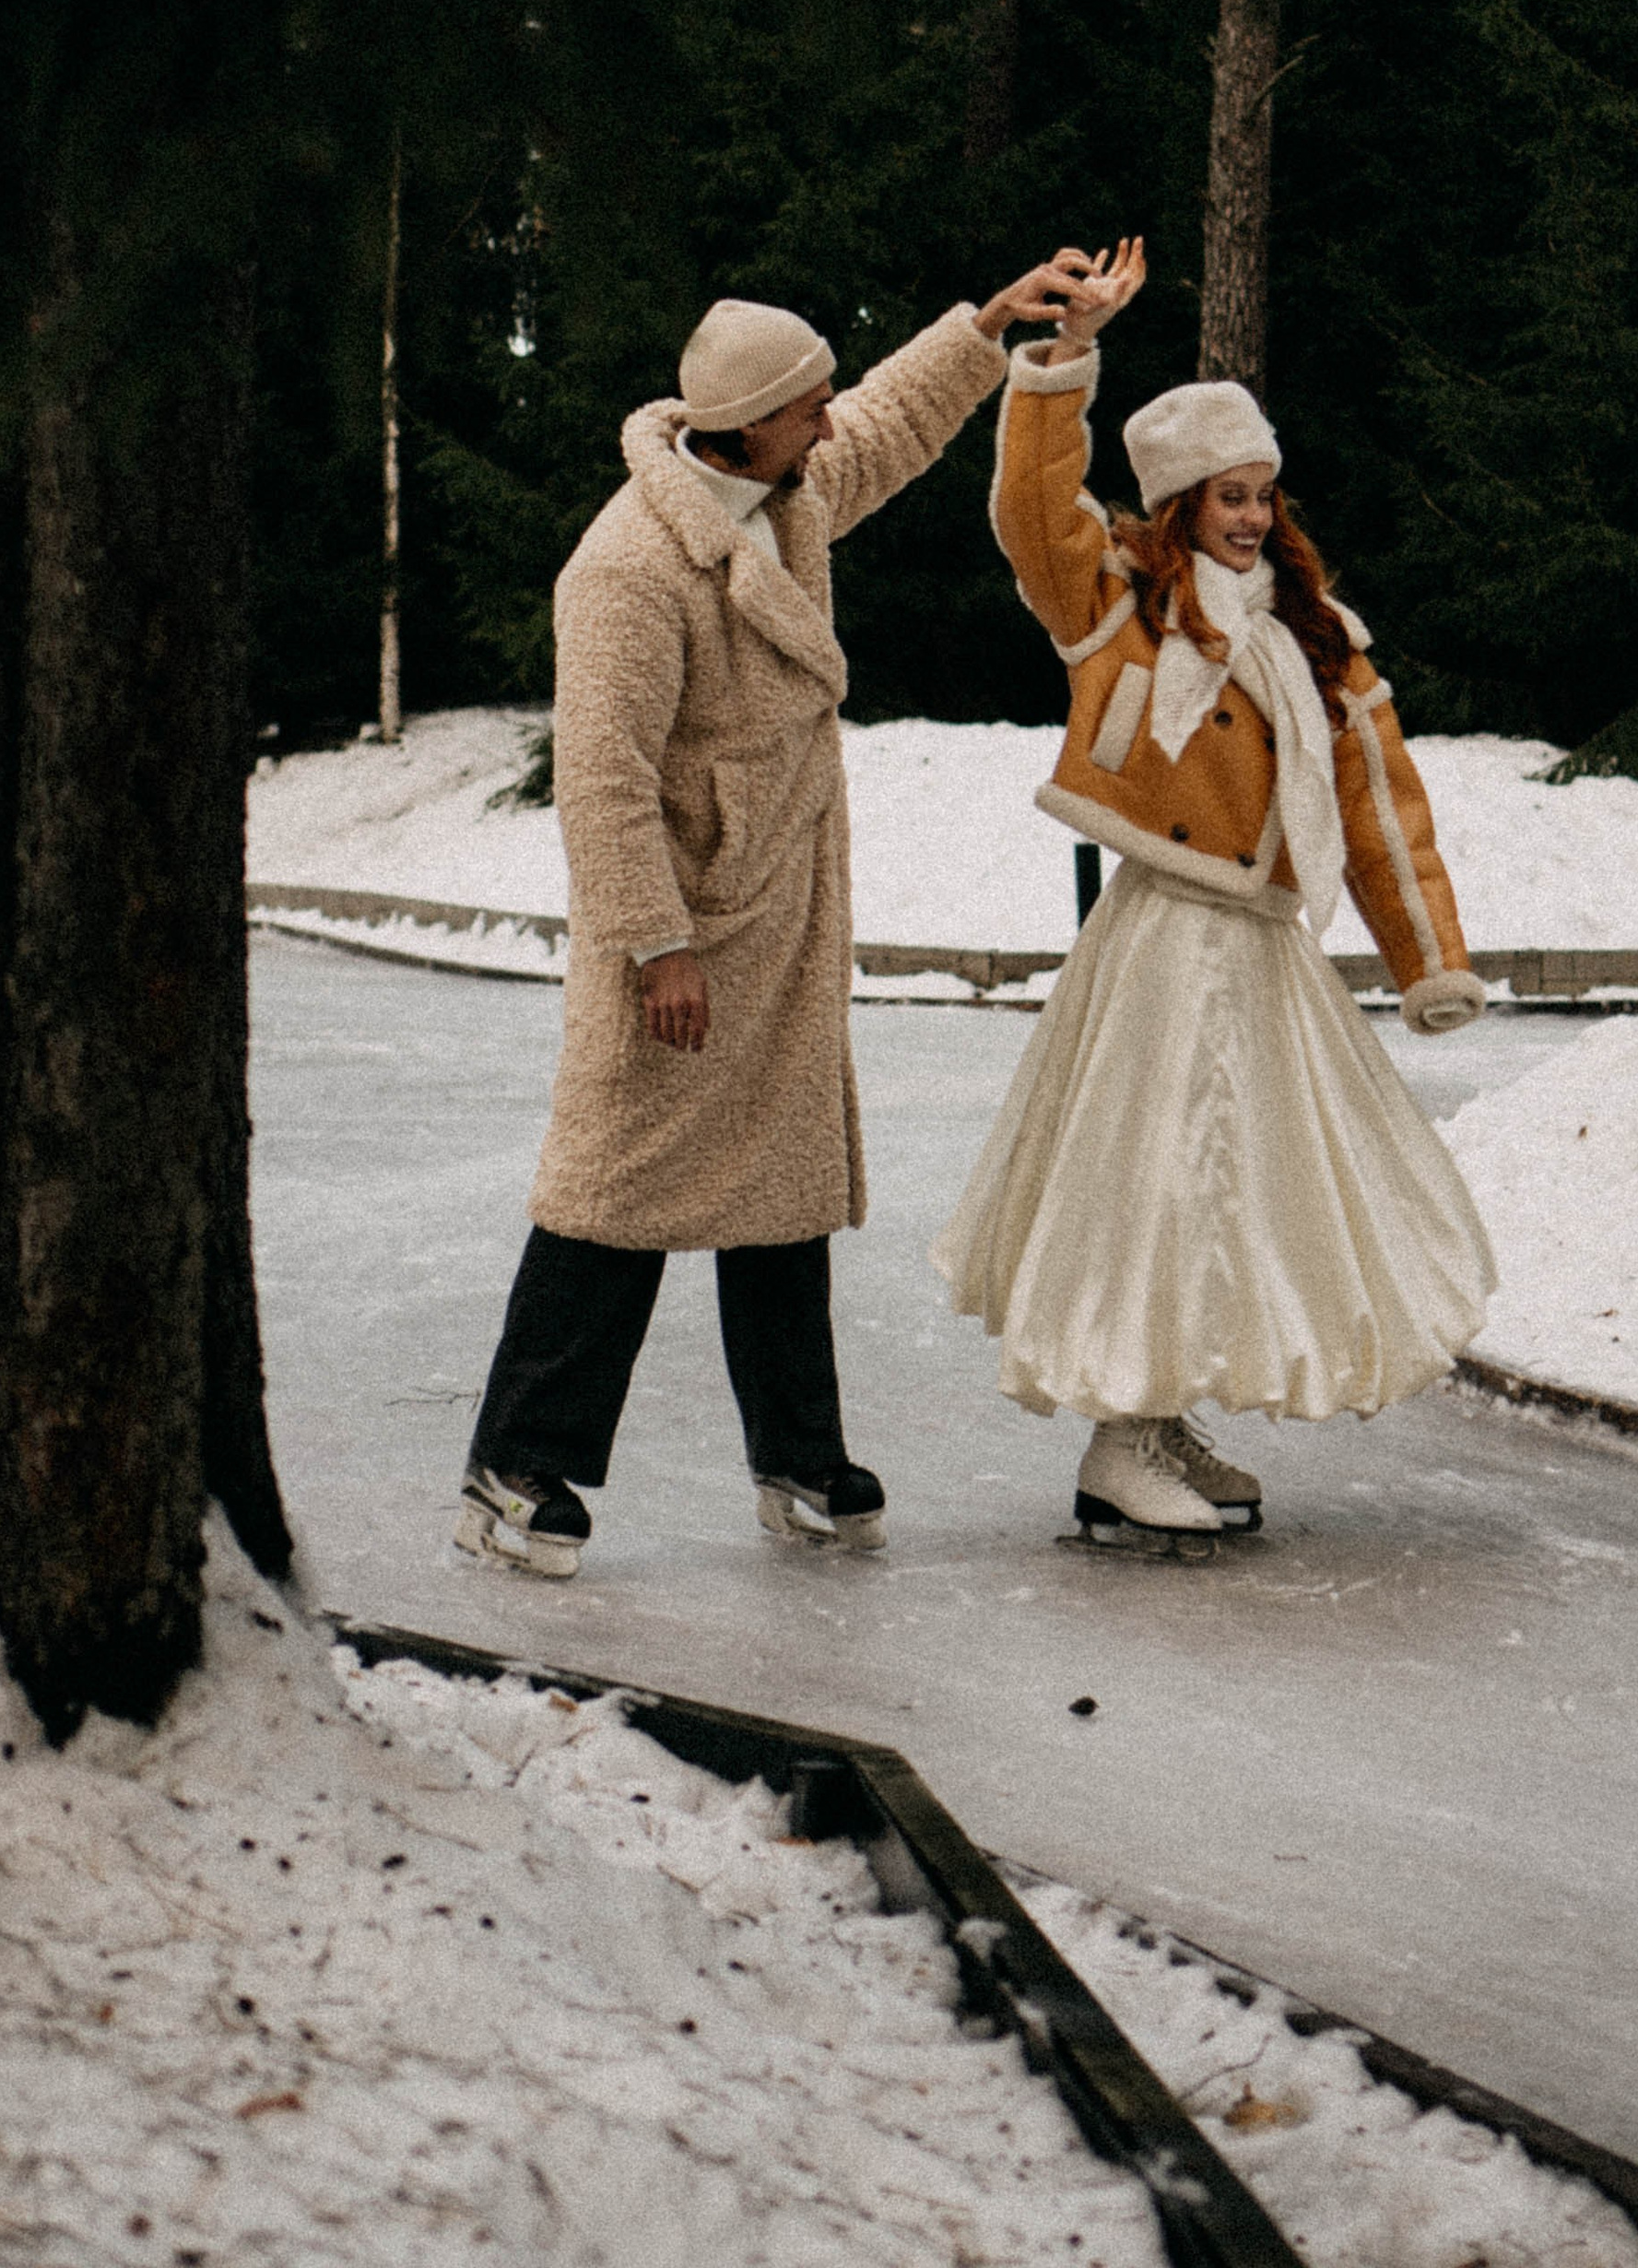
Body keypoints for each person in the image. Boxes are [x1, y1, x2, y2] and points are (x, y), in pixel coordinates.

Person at [456, 260, 1090, 1577]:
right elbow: (604, 780)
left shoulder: (788, 495)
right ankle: (515, 1464)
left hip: (781, 918)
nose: (830, 420)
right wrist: (657, 943)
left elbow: (898, 419)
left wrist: (986, 327)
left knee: (780, 1193)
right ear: (744, 421)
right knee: (615, 1191)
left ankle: (798, 1457)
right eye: (808, 405)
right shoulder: (630, 566)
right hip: (683, 935)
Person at [933, 240, 1497, 1543]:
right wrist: (1064, 359)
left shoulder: (1319, 637)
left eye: (1262, 494)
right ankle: (1123, 1435)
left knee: (1238, 1190)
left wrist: (1429, 959)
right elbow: (1032, 508)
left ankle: (1155, 1417)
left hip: (1258, 944)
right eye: (1225, 497)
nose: (1250, 516)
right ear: (1179, 504)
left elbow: (1380, 806)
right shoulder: (1117, 605)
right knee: (1162, 1183)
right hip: (1164, 940)